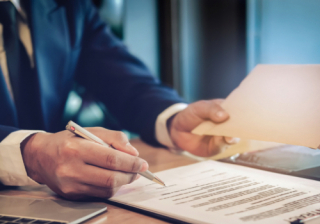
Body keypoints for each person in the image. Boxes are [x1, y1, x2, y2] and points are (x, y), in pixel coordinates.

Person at [0, 0, 238, 200]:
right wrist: (30, 153)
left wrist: (173, 119)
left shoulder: (70, 5)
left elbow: (121, 77)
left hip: (45, 201)